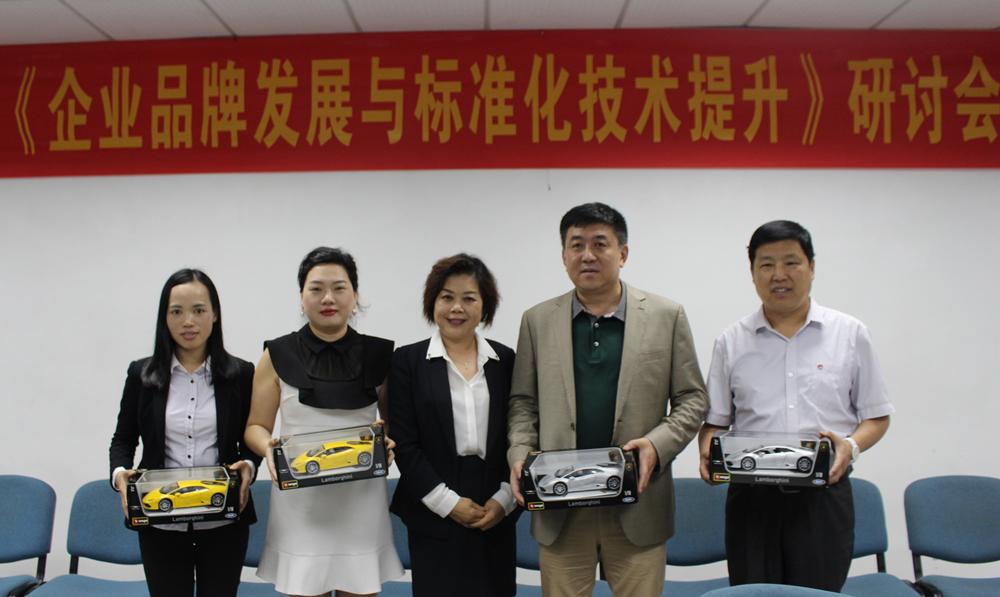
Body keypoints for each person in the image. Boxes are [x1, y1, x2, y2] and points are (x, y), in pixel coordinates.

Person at [507, 202, 709, 597]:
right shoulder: (537, 320)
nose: (588, 255)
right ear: (564, 256)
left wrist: (656, 445)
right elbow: (523, 403)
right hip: (560, 502)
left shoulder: (666, 316)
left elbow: (692, 398)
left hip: (638, 504)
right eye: (576, 245)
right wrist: (519, 454)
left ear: (623, 253)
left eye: (600, 244)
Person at [697, 220, 894, 592]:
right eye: (766, 264)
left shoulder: (850, 334)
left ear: (812, 267)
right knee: (754, 593)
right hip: (751, 499)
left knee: (818, 593)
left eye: (791, 262)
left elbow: (877, 416)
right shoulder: (731, 341)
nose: (779, 275)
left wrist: (850, 447)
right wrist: (707, 448)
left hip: (823, 494)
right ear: (753, 273)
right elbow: (716, 422)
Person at [244, 247, 403, 597]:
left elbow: (393, 424)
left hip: (361, 502)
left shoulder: (381, 356)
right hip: (301, 505)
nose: (328, 298)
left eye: (339, 288)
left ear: (355, 295)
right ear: (302, 297)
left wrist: (390, 441)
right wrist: (268, 449)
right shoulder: (276, 354)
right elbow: (256, 426)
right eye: (316, 289)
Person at [109, 268, 258, 597]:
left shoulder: (241, 374)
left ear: (215, 314)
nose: (188, 321)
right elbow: (123, 439)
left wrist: (249, 465)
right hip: (160, 518)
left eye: (198, 310)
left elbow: (252, 437)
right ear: (164, 318)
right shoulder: (141, 374)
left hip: (223, 519)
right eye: (176, 312)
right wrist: (120, 475)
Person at [389, 254, 519, 597]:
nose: (456, 308)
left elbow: (519, 433)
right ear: (432, 302)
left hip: (495, 503)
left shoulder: (505, 360)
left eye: (469, 298)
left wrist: (505, 498)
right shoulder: (407, 361)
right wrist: (447, 503)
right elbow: (404, 444)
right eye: (447, 297)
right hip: (433, 504)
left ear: (485, 306)